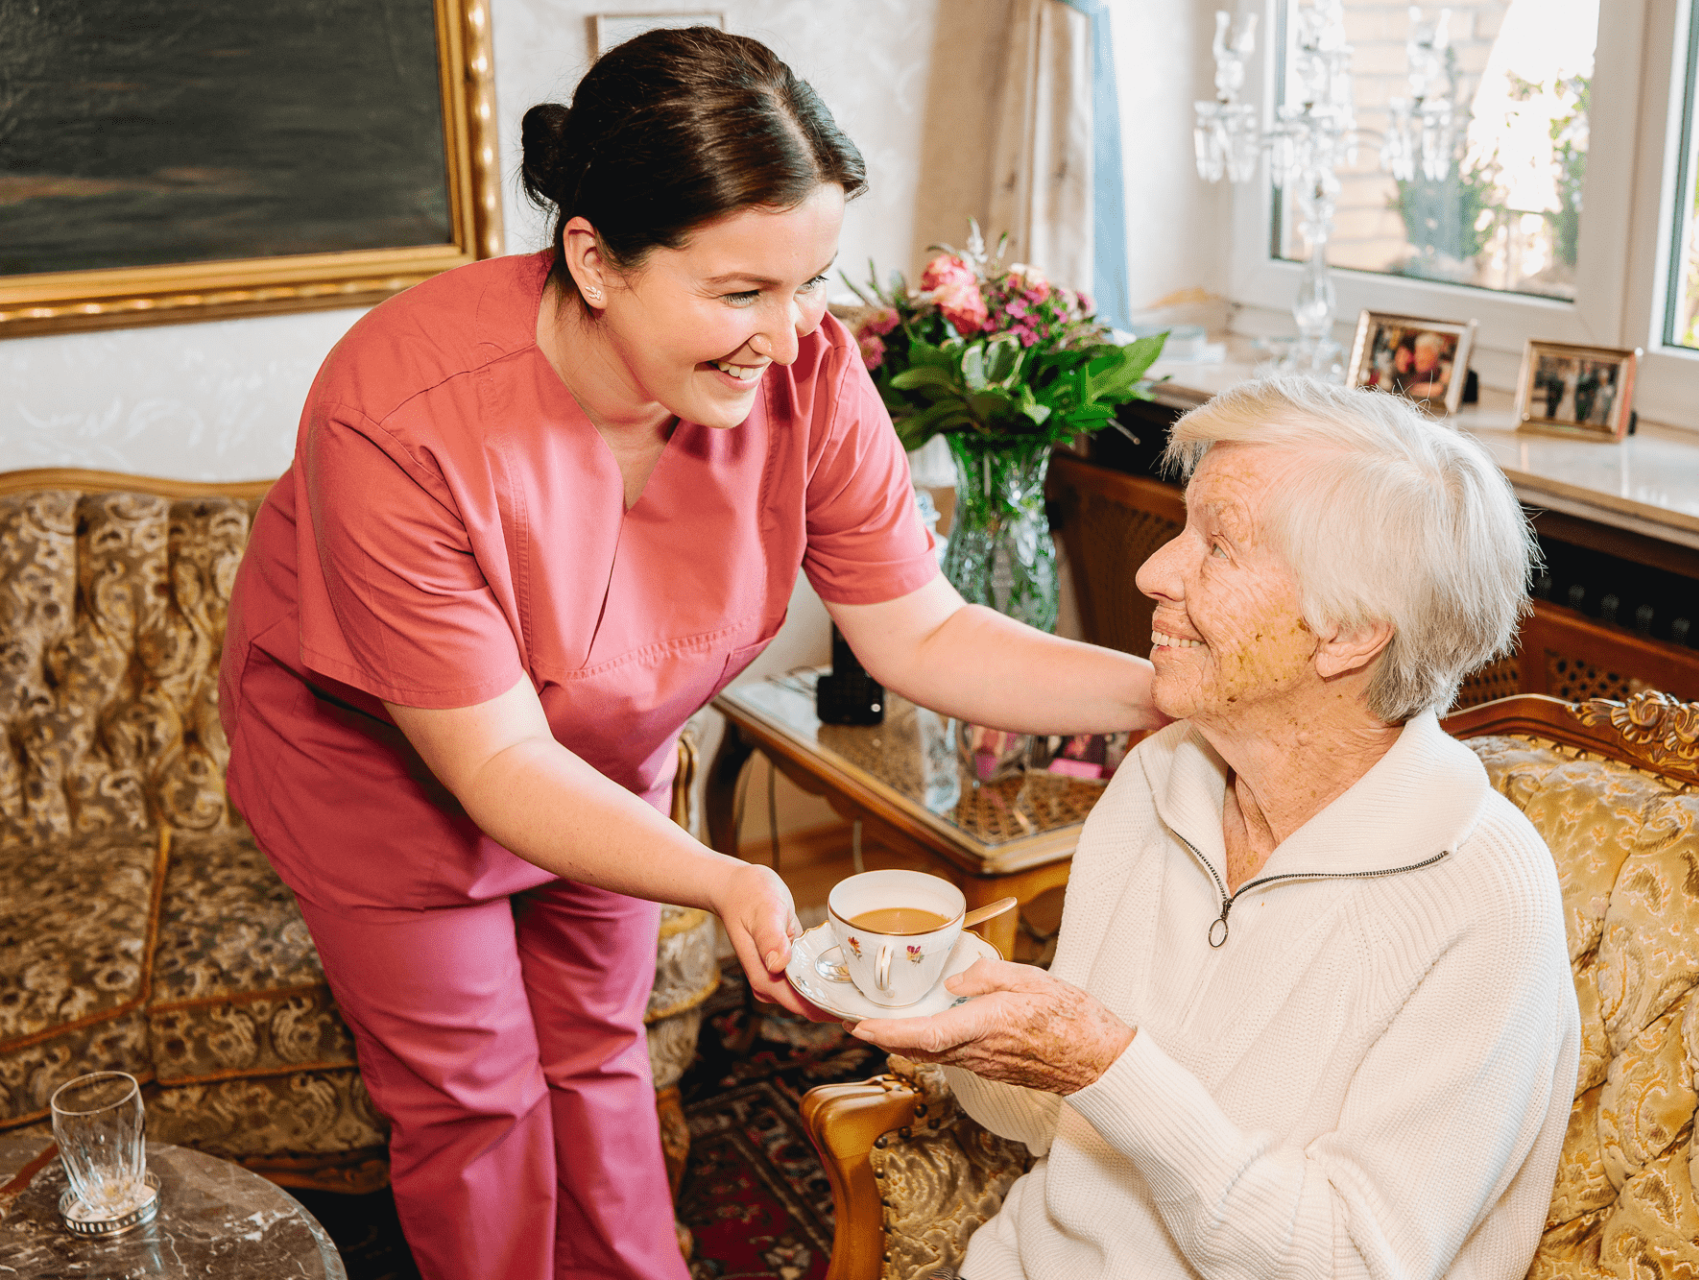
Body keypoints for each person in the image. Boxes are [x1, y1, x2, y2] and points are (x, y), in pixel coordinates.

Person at [217, 27, 1158, 1280]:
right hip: (384, 775)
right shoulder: (397, 413)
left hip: (607, 762)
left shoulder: (807, 368)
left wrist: (1159, 689)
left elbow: (918, 627)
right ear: (594, 258)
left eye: (811, 279)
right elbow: (496, 762)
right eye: (738, 291)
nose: (788, 334)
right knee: (477, 1094)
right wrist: (720, 876)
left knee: (600, 1044)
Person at [857, 377, 1581, 1280]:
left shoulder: (1482, 899)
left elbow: (1350, 1261)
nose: (1153, 572)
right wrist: (955, 1011)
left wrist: (1107, 1064)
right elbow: (1057, 1119)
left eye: (1218, 546)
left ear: (1348, 631)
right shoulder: (1165, 775)